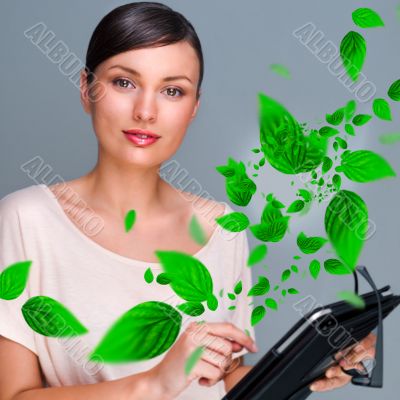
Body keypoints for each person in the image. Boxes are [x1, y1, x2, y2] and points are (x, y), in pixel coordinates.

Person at [0, 2, 375, 399]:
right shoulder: (25, 220)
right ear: (86, 88)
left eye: (172, 90)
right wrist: (154, 383)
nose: (145, 111)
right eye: (124, 82)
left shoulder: (224, 228)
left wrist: (310, 367)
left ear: (193, 107)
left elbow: (223, 377)